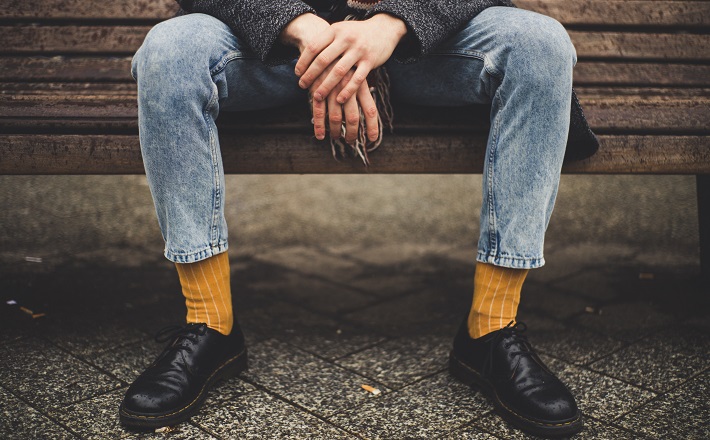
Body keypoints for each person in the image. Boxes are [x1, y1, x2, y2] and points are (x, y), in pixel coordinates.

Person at [120, 0, 598, 437]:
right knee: (169, 50)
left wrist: (391, 25)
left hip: (425, 44)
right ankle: (211, 324)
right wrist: (298, 24)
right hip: (268, 44)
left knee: (540, 44)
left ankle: (490, 328)